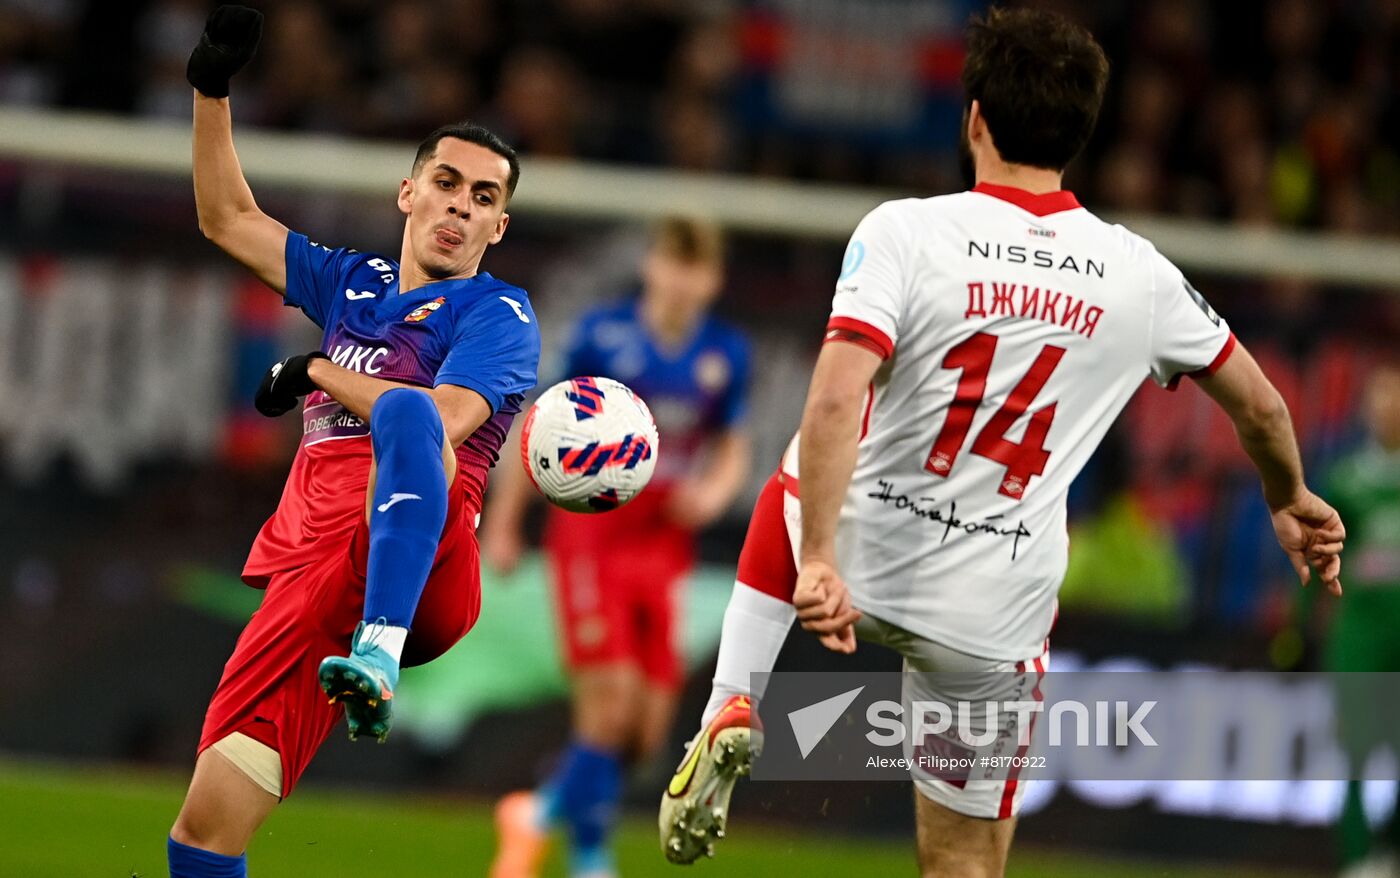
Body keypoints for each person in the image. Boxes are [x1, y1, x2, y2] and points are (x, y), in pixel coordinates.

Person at [659, 7, 1346, 877]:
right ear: (1082, 135)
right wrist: (1288, 498)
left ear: (974, 116)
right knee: (963, 864)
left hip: (863, 558)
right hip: (992, 619)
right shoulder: (1139, 273)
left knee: (807, 459)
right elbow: (1265, 412)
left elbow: (835, 399)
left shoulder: (906, 230)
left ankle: (732, 701)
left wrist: (822, 559)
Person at [167, 8, 540, 878]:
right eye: (448, 183)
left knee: (408, 414)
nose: (461, 206)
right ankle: (357, 653)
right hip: (310, 579)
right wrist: (211, 89)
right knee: (203, 834)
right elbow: (227, 219)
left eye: (485, 199)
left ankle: (377, 653)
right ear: (408, 194)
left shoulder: (498, 313)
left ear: (498, 230)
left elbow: (437, 422)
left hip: (420, 573)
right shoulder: (352, 284)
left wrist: (317, 371)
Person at [484, 216, 752, 878]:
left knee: (645, 735)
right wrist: (505, 523)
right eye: (674, 263)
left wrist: (714, 493)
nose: (684, 281)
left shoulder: (726, 355)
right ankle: (586, 854)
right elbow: (539, 426)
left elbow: (732, 447)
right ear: (652, 266)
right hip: (594, 534)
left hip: (664, 542)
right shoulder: (604, 337)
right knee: (607, 711)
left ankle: (541, 808)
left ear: (713, 280)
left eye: (699, 269)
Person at [1323, 359, 1400, 878]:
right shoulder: (1345, 479)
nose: (1388, 408)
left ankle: (1388, 852)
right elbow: (1315, 561)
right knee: (1354, 752)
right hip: (1359, 640)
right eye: (1380, 396)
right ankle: (1356, 862)